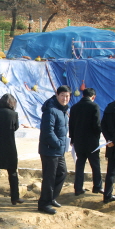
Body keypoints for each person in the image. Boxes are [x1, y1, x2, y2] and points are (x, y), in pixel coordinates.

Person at [37, 85, 71, 215]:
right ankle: (44, 204)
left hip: (58, 149)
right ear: (57, 95)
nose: (65, 98)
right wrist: (58, 143)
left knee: (62, 173)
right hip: (50, 149)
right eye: (62, 95)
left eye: (67, 96)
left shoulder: (61, 110)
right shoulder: (51, 110)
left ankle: (52, 198)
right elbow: (47, 131)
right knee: (49, 177)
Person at [69, 87, 103, 196]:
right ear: (93, 97)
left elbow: (71, 125)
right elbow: (97, 124)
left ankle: (78, 188)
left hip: (79, 141)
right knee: (95, 165)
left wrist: (72, 138)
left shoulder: (74, 107)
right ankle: (97, 187)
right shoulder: (94, 106)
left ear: (82, 95)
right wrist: (97, 136)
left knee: (80, 165)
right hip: (92, 141)